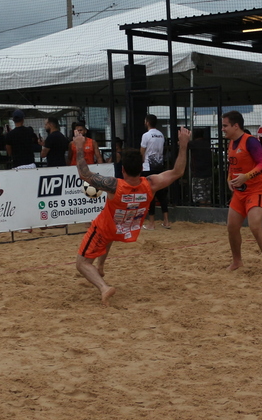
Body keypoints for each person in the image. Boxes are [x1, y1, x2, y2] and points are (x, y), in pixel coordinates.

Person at [74, 127, 192, 305]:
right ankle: (101, 266)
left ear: (123, 170)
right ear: (141, 167)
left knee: (82, 263)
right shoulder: (150, 184)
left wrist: (79, 147)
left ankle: (104, 288)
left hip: (107, 227)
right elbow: (177, 172)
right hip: (124, 227)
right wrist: (183, 145)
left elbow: (84, 174)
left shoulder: (114, 185)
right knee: (109, 236)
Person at [222, 110, 262, 276]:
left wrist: (245, 177)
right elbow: (232, 166)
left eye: (225, 125)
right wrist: (229, 178)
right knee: (232, 227)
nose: (223, 129)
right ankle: (237, 261)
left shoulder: (250, 141)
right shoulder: (231, 143)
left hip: (256, 189)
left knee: (255, 226)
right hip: (240, 191)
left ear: (235, 126)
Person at [140, 114, 169, 229]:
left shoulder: (146, 135)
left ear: (147, 122)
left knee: (150, 193)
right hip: (159, 166)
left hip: (148, 167)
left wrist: (141, 164)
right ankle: (166, 221)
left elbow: (142, 152)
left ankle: (151, 223)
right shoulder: (161, 135)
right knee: (161, 194)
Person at [189, 127, 213, 206]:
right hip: (208, 172)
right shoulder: (206, 143)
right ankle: (208, 209)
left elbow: (182, 144)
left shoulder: (194, 144)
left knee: (200, 195)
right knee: (207, 195)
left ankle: (202, 210)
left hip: (198, 173)